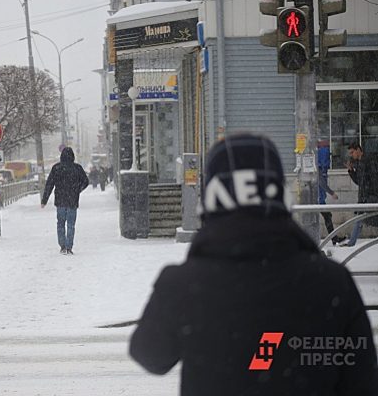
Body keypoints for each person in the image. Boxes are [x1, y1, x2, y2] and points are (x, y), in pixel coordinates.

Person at [129, 134, 378, 395]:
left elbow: (150, 355)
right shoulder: (331, 281)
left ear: (212, 200)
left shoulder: (184, 284)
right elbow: (362, 381)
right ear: (278, 194)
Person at [41, 147, 89, 255]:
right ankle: (69, 247)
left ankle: (62, 246)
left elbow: (49, 184)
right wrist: (78, 189)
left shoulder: (56, 168)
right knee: (71, 224)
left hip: (60, 200)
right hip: (72, 200)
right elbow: (86, 181)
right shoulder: (77, 168)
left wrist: (44, 200)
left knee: (60, 224)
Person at [344, 141, 378, 246]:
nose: (351, 155)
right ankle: (351, 242)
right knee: (359, 219)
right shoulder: (358, 163)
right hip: (364, 197)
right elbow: (359, 181)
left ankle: (351, 242)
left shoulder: (369, 161)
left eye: (352, 152)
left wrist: (373, 195)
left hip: (371, 196)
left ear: (358, 150)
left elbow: (374, 179)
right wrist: (351, 171)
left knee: (366, 219)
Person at [317, 141, 346, 245]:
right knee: (327, 217)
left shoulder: (322, 168)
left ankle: (333, 238)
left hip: (320, 200)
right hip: (317, 201)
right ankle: (334, 238)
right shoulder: (319, 170)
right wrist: (332, 193)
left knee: (327, 216)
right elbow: (322, 183)